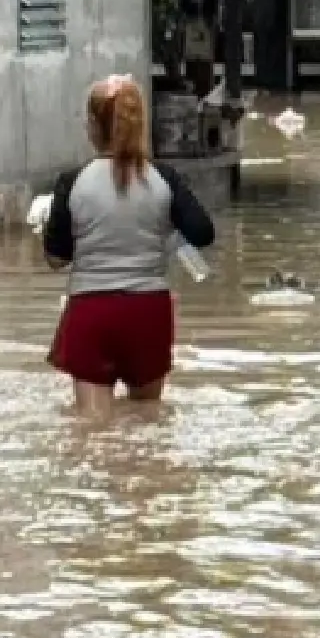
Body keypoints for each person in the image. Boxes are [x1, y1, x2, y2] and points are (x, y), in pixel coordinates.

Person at [42, 76, 216, 414]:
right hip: (148, 314)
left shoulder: (72, 181)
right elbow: (203, 233)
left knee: (94, 433)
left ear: (93, 126)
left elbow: (56, 258)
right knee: (148, 422)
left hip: (92, 313)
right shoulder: (164, 178)